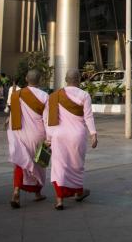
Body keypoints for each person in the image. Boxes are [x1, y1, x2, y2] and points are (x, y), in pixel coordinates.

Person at [45, 69, 98, 210]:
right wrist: (93, 134)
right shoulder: (84, 95)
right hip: (77, 135)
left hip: (59, 135)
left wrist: (48, 138)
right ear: (79, 79)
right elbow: (88, 116)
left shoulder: (54, 95)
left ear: (65, 79)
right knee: (76, 165)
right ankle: (78, 192)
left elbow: (48, 119)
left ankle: (59, 199)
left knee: (59, 166)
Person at [7, 70, 48, 208]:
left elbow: (12, 114)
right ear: (40, 80)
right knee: (40, 163)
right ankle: (37, 193)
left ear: (26, 78)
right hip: (38, 134)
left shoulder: (16, 94)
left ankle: (16, 190)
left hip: (20, 133)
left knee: (21, 163)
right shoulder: (44, 96)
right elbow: (47, 119)